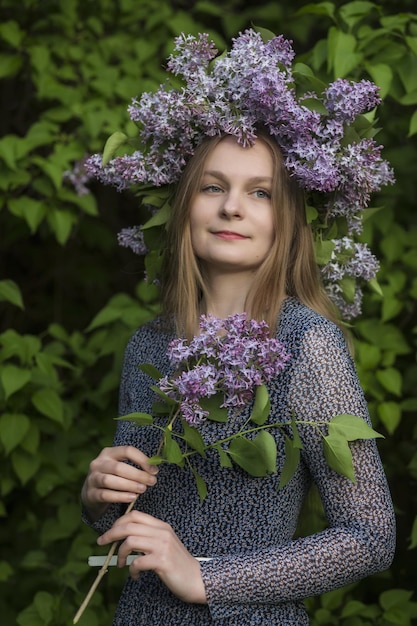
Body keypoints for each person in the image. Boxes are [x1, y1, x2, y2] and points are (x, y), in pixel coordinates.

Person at [80, 30, 396, 625]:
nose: (232, 208)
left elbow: (369, 536)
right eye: (213, 187)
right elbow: (126, 541)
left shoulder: (305, 344)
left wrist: (206, 575)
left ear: (289, 220)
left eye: (261, 193)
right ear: (184, 205)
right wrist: (96, 499)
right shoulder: (149, 345)